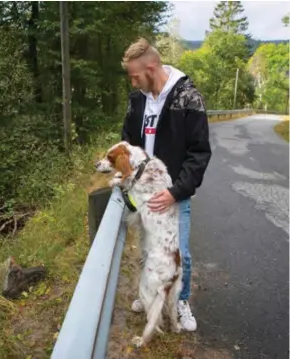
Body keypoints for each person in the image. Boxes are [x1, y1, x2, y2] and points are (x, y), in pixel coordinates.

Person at [120, 37, 212, 332]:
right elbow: (128, 144)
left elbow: (199, 153)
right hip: (142, 194)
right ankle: (148, 295)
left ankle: (181, 300)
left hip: (174, 195)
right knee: (148, 249)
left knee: (178, 252)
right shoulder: (137, 101)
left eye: (135, 76)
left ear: (152, 67)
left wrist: (176, 192)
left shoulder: (188, 96)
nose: (133, 83)